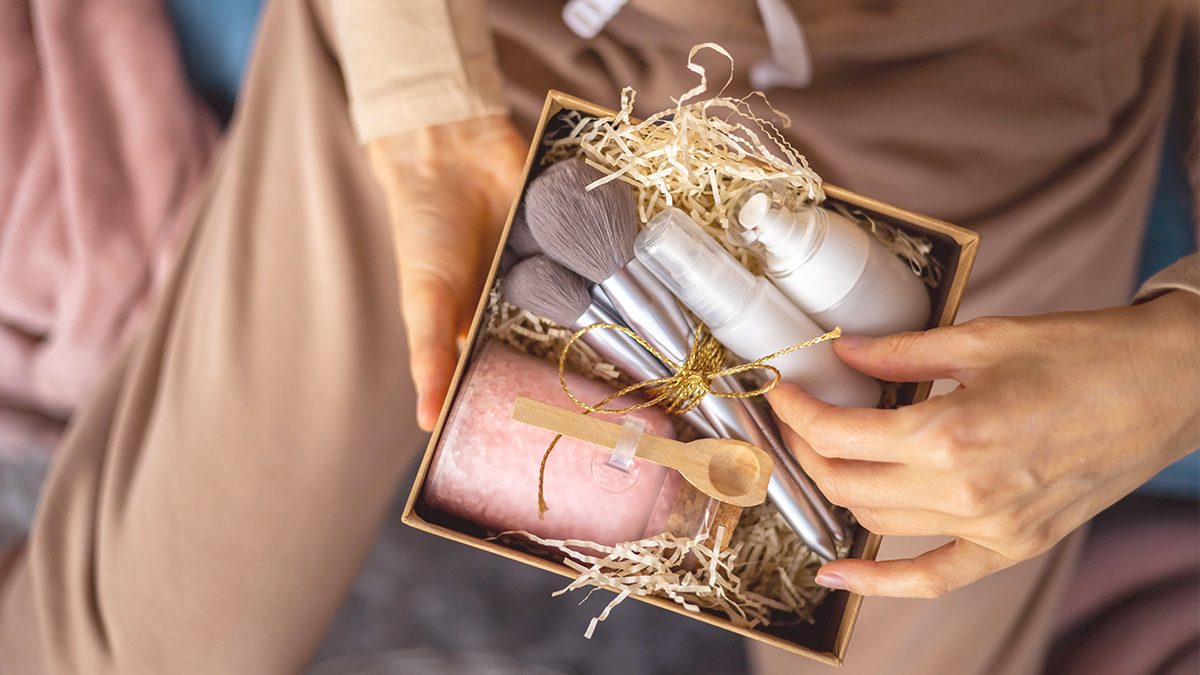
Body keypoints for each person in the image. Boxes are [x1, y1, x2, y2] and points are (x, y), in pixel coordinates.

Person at [0, 0, 1196, 673]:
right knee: (134, 649)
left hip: (990, 112)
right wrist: (421, 98)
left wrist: (1175, 365)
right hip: (486, 54)